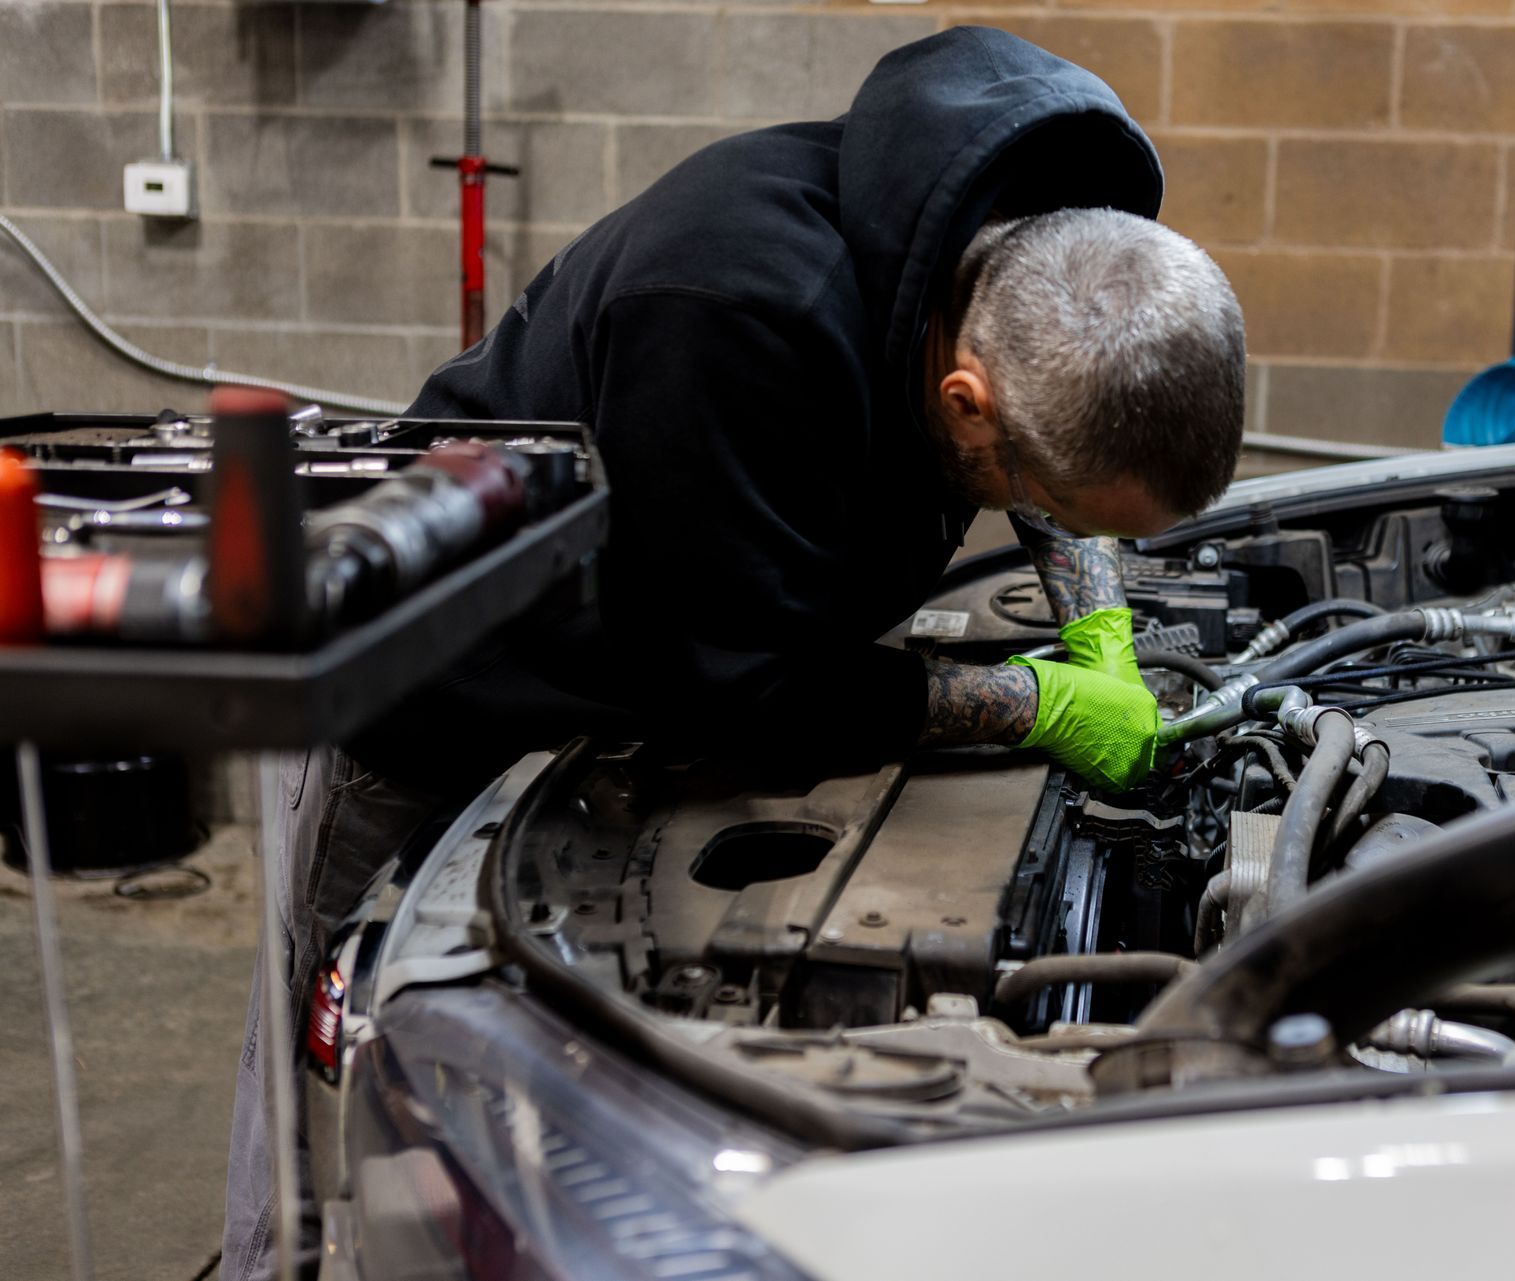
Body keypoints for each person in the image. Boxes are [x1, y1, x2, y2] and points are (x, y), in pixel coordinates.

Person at [222, 26, 1243, 1280]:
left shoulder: (1036, 240)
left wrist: (1102, 627)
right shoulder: (735, 315)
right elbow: (753, 685)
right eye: (1078, 516)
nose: (1071, 534)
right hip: (439, 695)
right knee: (335, 1086)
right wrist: (1037, 701)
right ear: (965, 401)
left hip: (646, 660)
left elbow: (1046, 459)